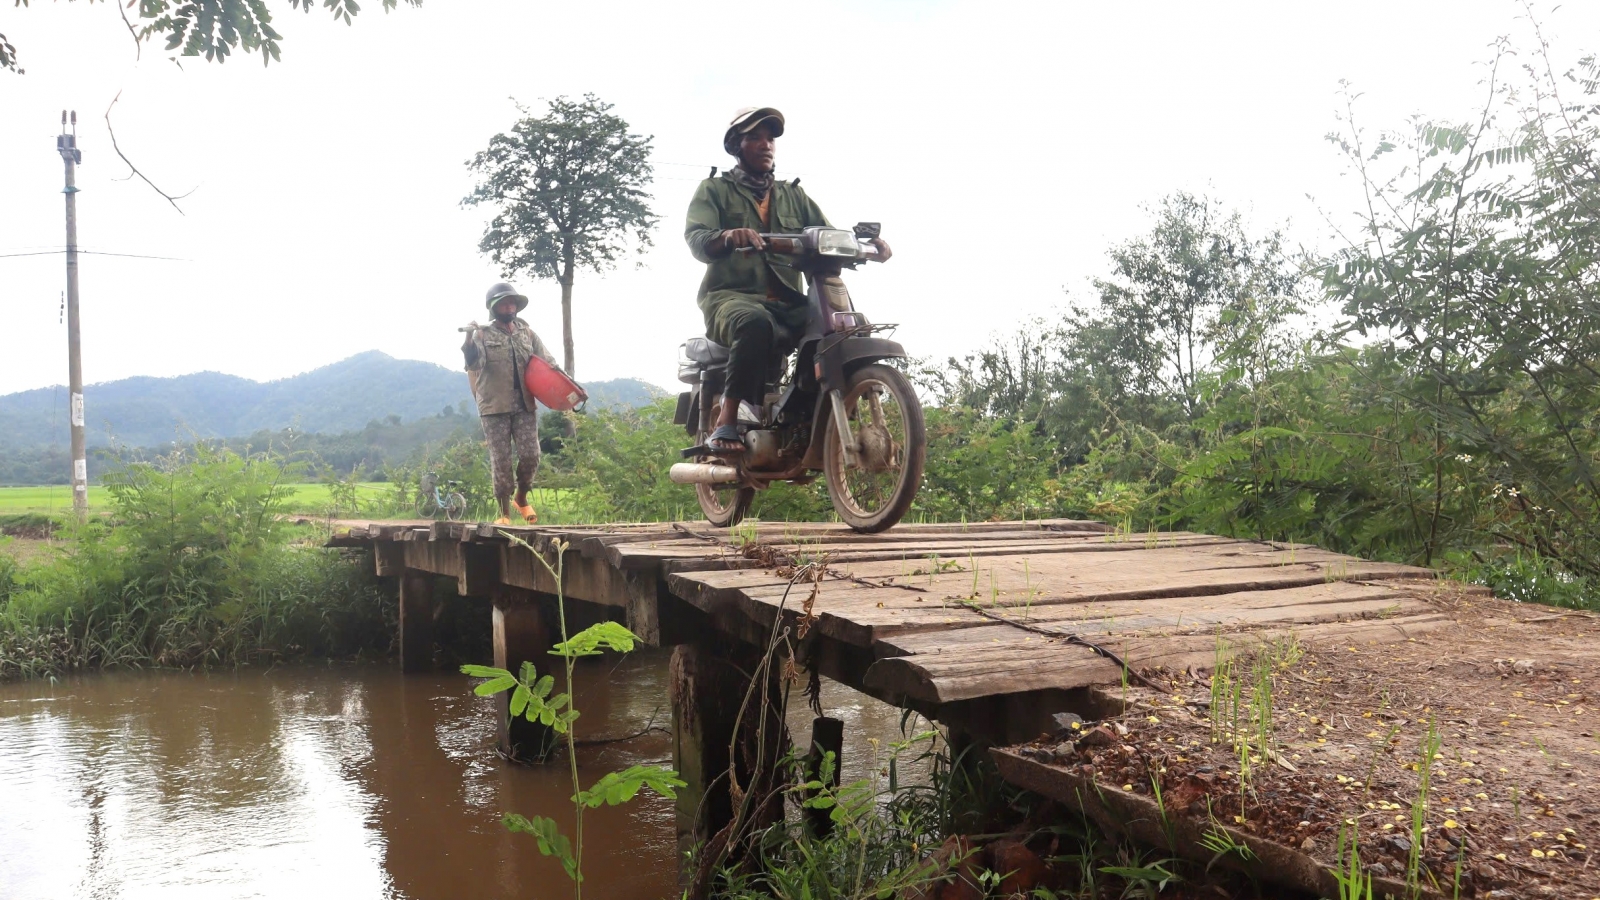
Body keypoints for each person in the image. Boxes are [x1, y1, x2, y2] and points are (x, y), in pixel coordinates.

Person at [684, 106, 891, 453]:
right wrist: (728, 236)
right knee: (754, 322)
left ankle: (809, 412)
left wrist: (867, 245)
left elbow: (828, 234)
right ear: (737, 145)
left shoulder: (794, 195)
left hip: (789, 302)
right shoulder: (714, 190)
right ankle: (727, 421)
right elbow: (697, 239)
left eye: (770, 138)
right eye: (755, 138)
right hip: (731, 297)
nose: (766, 145)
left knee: (847, 329)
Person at [462, 282, 559, 525]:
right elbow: (473, 364)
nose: (509, 306)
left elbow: (548, 362)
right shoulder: (483, 334)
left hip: (524, 403)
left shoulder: (526, 333)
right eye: (504, 303)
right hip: (494, 406)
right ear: (494, 308)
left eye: (512, 302)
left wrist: (570, 387)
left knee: (531, 455)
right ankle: (504, 513)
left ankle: (521, 499)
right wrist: (469, 338)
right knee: (501, 459)